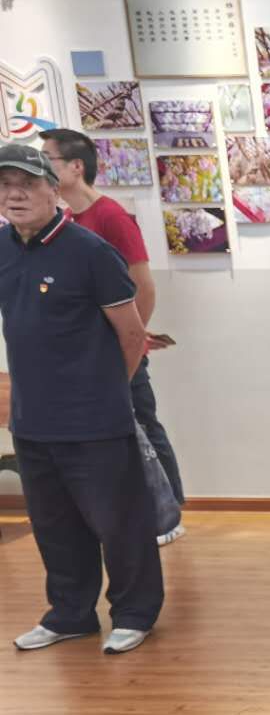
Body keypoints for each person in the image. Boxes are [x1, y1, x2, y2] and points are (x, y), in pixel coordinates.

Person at [0, 143, 160, 654]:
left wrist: (108, 394)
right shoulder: (3, 248)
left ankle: (134, 613)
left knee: (120, 524)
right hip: (32, 422)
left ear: (53, 187)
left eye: (26, 184)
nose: (15, 195)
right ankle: (70, 614)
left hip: (95, 421)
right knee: (53, 527)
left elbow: (132, 336)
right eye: (5, 186)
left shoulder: (89, 251)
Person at [39, 128, 184, 546]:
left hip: (120, 347)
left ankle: (170, 511)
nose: (41, 167)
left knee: (141, 421)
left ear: (75, 167)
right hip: (87, 354)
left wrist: (134, 338)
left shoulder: (110, 217)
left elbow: (144, 286)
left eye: (48, 159)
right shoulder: (67, 220)